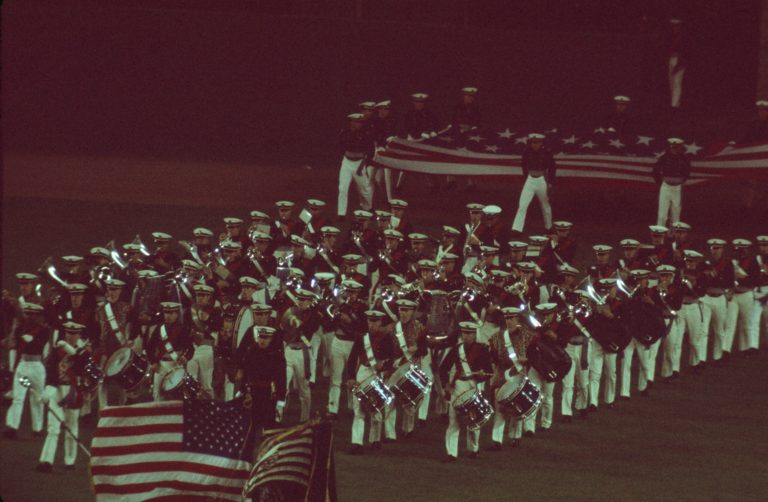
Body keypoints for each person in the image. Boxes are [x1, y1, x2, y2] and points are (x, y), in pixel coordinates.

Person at [37, 321, 91, 472]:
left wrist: (75, 351)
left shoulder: (84, 352)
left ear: (79, 334)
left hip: (73, 392)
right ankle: (46, 461)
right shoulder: (57, 349)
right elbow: (50, 367)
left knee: (72, 427)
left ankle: (70, 460)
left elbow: (82, 369)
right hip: (57, 389)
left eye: (74, 333)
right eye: (68, 332)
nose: (70, 336)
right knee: (53, 428)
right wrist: (50, 386)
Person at [440, 321, 492, 462]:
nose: (467, 336)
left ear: (476, 334)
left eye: (470, 333)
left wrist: (482, 375)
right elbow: (443, 368)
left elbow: (489, 372)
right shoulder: (457, 349)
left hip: (474, 386)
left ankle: (474, 449)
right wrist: (446, 385)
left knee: (474, 420)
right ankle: (451, 453)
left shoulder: (483, 350)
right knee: (453, 421)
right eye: (464, 333)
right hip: (457, 386)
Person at [346, 310, 395, 454]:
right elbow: (352, 358)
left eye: (375, 321)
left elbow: (391, 359)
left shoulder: (386, 338)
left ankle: (375, 439)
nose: (372, 325)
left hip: (377, 375)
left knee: (376, 408)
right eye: (369, 321)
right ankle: (357, 443)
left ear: (380, 322)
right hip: (363, 372)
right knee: (358, 408)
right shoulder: (361, 338)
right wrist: (350, 377)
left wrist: (384, 366)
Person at [489, 307, 534, 449]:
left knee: (518, 409)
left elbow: (534, 354)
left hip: (519, 375)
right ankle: (497, 440)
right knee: (500, 409)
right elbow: (494, 359)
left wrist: (526, 360)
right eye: (507, 318)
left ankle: (515, 436)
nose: (509, 321)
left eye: (512, 318)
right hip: (501, 377)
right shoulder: (496, 337)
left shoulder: (527, 335)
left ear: (517, 319)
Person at [4, 303, 49, 439]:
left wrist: (29, 339)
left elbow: (39, 346)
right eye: (28, 314)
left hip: (36, 366)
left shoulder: (44, 330)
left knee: (37, 398)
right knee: (18, 398)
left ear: (38, 316)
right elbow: (16, 345)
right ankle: (12, 427)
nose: (30, 317)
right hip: (23, 366)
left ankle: (37, 428)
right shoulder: (19, 330)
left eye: (33, 315)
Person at [512, 133, 556, 233]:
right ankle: (516, 229)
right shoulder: (527, 152)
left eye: (537, 142)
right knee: (522, 204)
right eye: (533, 142)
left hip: (542, 180)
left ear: (541, 143)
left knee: (545, 205)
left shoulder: (546, 153)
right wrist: (525, 179)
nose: (535, 145)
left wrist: (551, 182)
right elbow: (523, 166)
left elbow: (552, 167)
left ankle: (549, 227)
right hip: (530, 179)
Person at [337, 113, 374, 219]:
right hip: (347, 163)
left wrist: (365, 163)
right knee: (343, 188)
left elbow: (370, 149)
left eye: (359, 122)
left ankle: (368, 207)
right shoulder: (344, 133)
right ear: (351, 122)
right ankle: (341, 213)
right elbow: (340, 146)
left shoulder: (366, 134)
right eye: (356, 122)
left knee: (365, 189)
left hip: (359, 163)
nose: (358, 124)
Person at [653, 137, 691, 227]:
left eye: (677, 147)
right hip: (666, 187)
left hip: (677, 188)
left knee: (676, 215)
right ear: (670, 147)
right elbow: (655, 171)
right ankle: (660, 235)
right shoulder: (664, 158)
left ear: (680, 148)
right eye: (673, 147)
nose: (674, 149)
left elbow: (687, 171)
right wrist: (661, 182)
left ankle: (674, 236)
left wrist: (681, 181)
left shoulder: (684, 159)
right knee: (662, 214)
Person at [666, 18, 686, 110]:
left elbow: (684, 51)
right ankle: (673, 104)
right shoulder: (671, 36)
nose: (674, 27)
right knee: (672, 82)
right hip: (671, 59)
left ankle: (675, 105)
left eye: (676, 25)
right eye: (672, 25)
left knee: (677, 82)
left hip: (678, 59)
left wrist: (680, 63)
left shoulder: (682, 37)